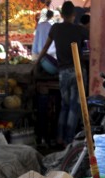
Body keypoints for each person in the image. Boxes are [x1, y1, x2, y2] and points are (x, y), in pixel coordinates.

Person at [36, 1, 89, 146]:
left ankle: (59, 137)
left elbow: (45, 48)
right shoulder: (79, 30)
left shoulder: (55, 28)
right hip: (77, 70)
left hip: (63, 72)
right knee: (75, 106)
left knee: (65, 105)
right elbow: (93, 37)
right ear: (73, 14)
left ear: (62, 14)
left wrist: (35, 64)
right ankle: (68, 140)